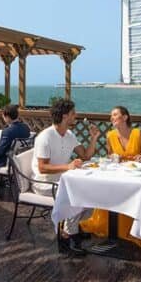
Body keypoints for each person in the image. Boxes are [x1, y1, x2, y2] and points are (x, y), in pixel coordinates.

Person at [80, 105, 141, 248]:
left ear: (125, 117)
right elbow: (110, 156)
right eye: (111, 115)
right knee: (107, 189)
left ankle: (133, 226)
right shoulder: (110, 135)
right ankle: (111, 226)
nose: (111, 118)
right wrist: (112, 158)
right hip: (118, 174)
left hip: (134, 175)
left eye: (115, 114)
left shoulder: (138, 133)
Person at [32, 98, 100, 256]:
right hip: (43, 183)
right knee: (76, 196)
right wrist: (68, 166)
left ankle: (71, 229)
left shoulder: (69, 135)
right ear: (64, 116)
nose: (76, 116)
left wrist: (94, 138)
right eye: (73, 113)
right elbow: (42, 168)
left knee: (92, 193)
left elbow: (85, 155)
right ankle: (67, 238)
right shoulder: (45, 137)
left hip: (63, 181)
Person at [0, 103, 31, 170]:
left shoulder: (8, 132)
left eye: (3, 116)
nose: (2, 117)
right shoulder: (26, 127)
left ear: (7, 117)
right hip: (21, 160)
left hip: (6, 161)